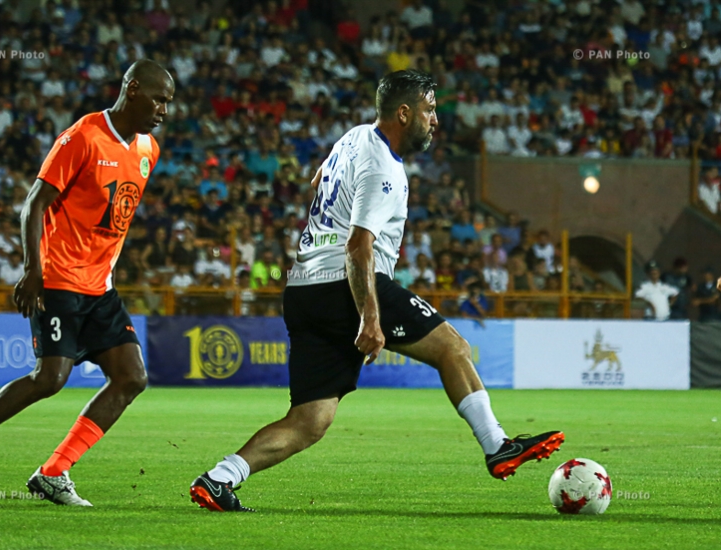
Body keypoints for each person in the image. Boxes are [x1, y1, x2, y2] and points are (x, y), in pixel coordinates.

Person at [188, 70, 563, 512]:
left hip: (303, 288)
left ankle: (219, 479)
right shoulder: (383, 166)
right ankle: (497, 444)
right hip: (342, 284)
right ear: (403, 113)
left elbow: (318, 181)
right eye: (428, 110)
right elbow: (358, 244)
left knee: (311, 419)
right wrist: (370, 316)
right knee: (453, 349)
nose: (435, 120)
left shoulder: (353, 137)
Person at [0, 60, 174, 507]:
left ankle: (54, 472)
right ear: (132, 90)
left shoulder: (148, 148)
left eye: (168, 103)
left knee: (131, 377)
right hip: (59, 277)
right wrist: (33, 269)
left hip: (100, 285)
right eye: (158, 99)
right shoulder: (83, 137)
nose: (164, 110)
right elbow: (34, 205)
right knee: (50, 378)